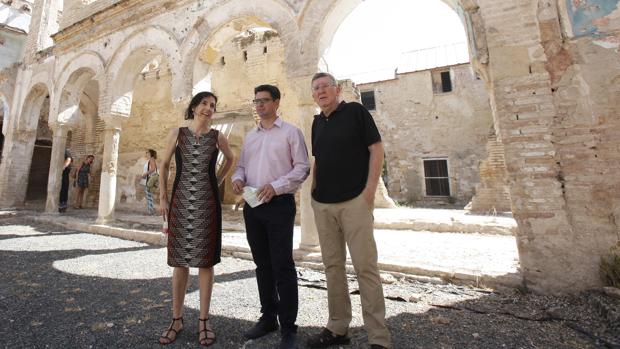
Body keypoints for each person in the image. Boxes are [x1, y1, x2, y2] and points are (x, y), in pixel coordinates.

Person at [306, 72, 392, 349]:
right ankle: (338, 327)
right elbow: (319, 159)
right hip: (324, 204)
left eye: (325, 86)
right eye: (316, 88)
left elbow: (376, 149)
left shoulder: (356, 112)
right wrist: (314, 191)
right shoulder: (317, 123)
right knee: (332, 267)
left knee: (365, 267)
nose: (320, 91)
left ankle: (378, 337)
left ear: (337, 89)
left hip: (355, 200)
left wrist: (369, 192)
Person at [231, 84, 310, 349]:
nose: (260, 105)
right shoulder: (251, 137)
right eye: (256, 101)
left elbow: (302, 168)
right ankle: (268, 318)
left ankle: (289, 328)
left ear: (277, 102)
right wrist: (237, 179)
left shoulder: (291, 133)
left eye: (264, 100)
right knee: (262, 265)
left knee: (283, 266)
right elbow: (241, 166)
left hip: (279, 205)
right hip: (252, 206)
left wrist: (275, 187)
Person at [158, 91, 234, 346]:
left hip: (207, 203)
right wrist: (162, 198)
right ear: (193, 107)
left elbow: (231, 159)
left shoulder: (217, 137)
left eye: (213, 105)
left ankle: (203, 320)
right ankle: (176, 319)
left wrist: (218, 181)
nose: (208, 108)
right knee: (180, 262)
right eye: (204, 103)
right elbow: (164, 165)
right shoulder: (177, 134)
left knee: (205, 262)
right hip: (180, 203)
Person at [141, 149, 158, 215]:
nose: (146, 153)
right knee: (149, 195)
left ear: (151, 153)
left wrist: (145, 174)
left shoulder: (151, 159)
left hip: (149, 179)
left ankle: (151, 212)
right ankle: (150, 211)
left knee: (149, 196)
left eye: (147, 152)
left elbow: (153, 169)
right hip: (149, 179)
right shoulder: (150, 160)